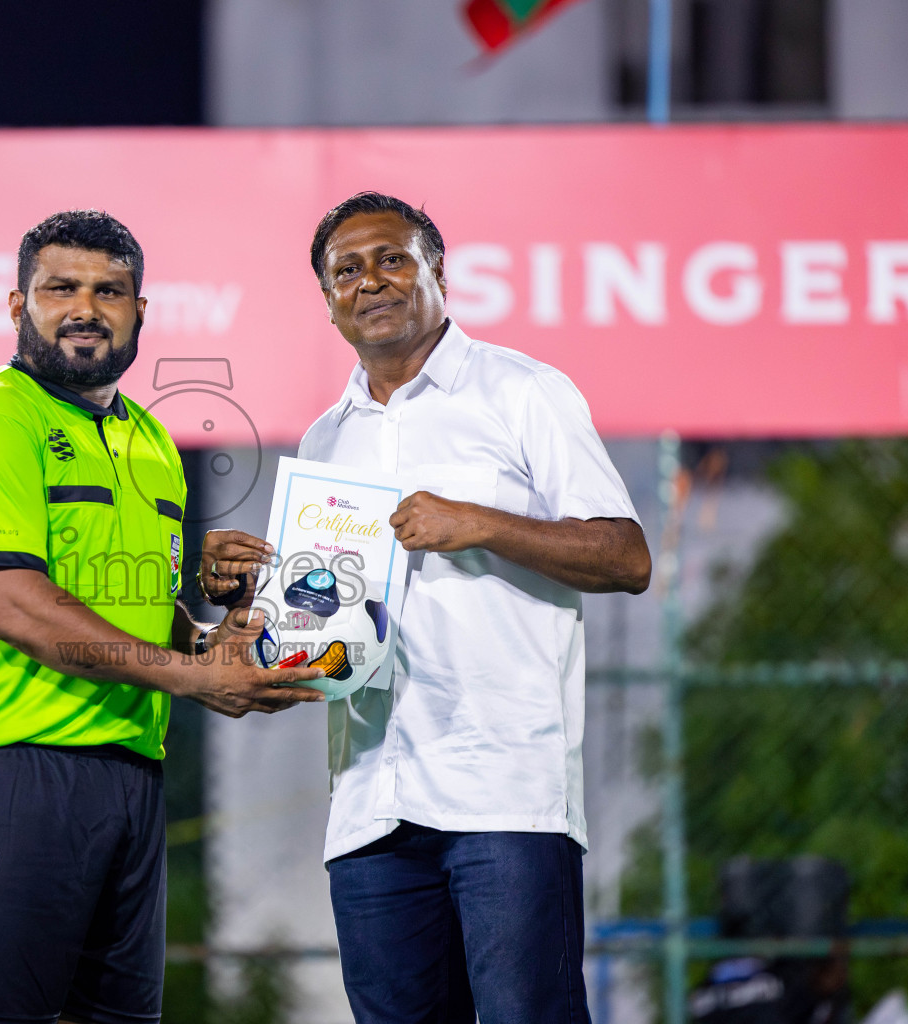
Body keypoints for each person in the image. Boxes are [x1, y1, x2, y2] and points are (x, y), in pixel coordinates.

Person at [202, 192, 651, 1024]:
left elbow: (626, 557)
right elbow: (325, 625)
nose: (370, 280)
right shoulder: (326, 438)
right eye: (346, 271)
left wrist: (476, 523)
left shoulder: (523, 392)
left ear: (438, 273)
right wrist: (245, 601)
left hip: (504, 793)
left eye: (392, 258)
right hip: (372, 801)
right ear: (329, 304)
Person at [0, 209, 324, 1024]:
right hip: (10, 765)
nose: (85, 308)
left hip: (130, 773)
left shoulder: (150, 440)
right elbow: (16, 607)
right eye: (59, 287)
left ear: (142, 312)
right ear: (14, 306)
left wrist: (217, 638)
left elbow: (143, 605)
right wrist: (194, 677)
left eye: (110, 291)